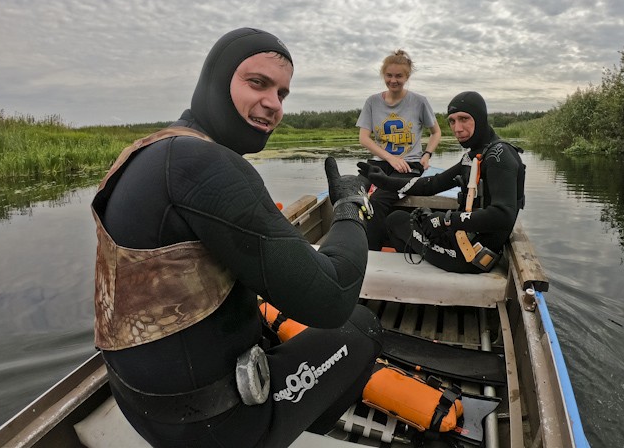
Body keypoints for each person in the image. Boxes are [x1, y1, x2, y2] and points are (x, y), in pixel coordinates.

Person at [92, 28, 382, 448]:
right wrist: (350, 208)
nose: (273, 104)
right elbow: (333, 296)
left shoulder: (154, 149)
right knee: (362, 326)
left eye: (282, 93)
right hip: (214, 429)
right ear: (215, 79)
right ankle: (294, 427)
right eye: (257, 83)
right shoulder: (204, 164)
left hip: (141, 407)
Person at [358, 91, 524, 274]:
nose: (457, 128)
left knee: (395, 221)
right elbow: (433, 184)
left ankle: (398, 274)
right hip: (464, 240)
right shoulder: (475, 155)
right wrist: (385, 181)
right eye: (452, 121)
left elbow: (503, 215)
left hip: (470, 256)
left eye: (464, 119)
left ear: (480, 118)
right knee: (409, 218)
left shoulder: (498, 157)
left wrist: (445, 220)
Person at [356, 50, 441, 250]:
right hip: (381, 162)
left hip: (408, 165)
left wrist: (427, 154)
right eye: (389, 75)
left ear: (407, 77)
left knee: (377, 201)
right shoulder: (372, 102)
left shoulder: (419, 102)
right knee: (353, 194)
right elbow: (363, 138)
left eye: (399, 76)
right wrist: (390, 158)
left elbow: (436, 133)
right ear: (383, 75)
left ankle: (371, 253)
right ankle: (350, 242)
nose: (393, 80)